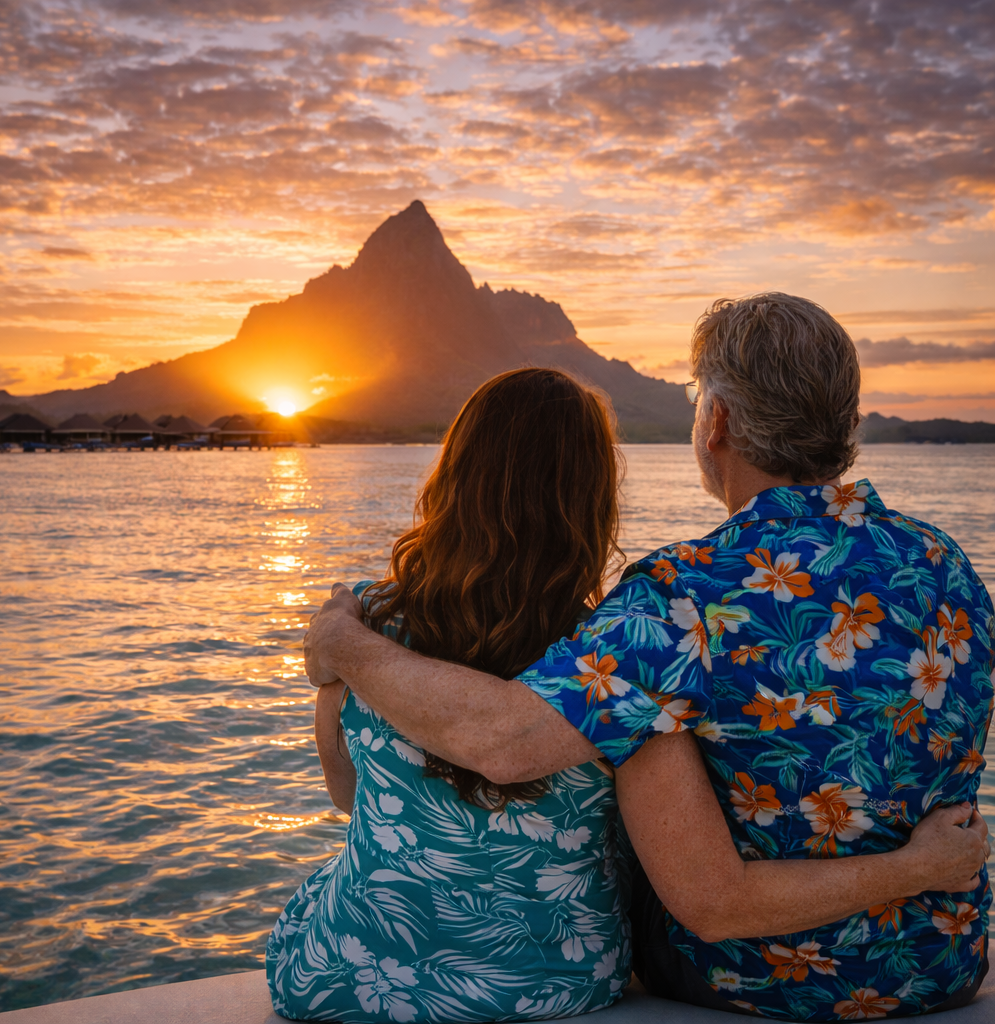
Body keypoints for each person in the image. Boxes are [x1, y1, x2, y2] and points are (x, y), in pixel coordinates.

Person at [304, 294, 994, 1021]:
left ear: (717, 420)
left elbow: (504, 744)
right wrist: (919, 870)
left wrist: (343, 643)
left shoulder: (683, 597)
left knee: (642, 740)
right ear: (845, 422)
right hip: (942, 967)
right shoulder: (942, 563)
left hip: (757, 981)